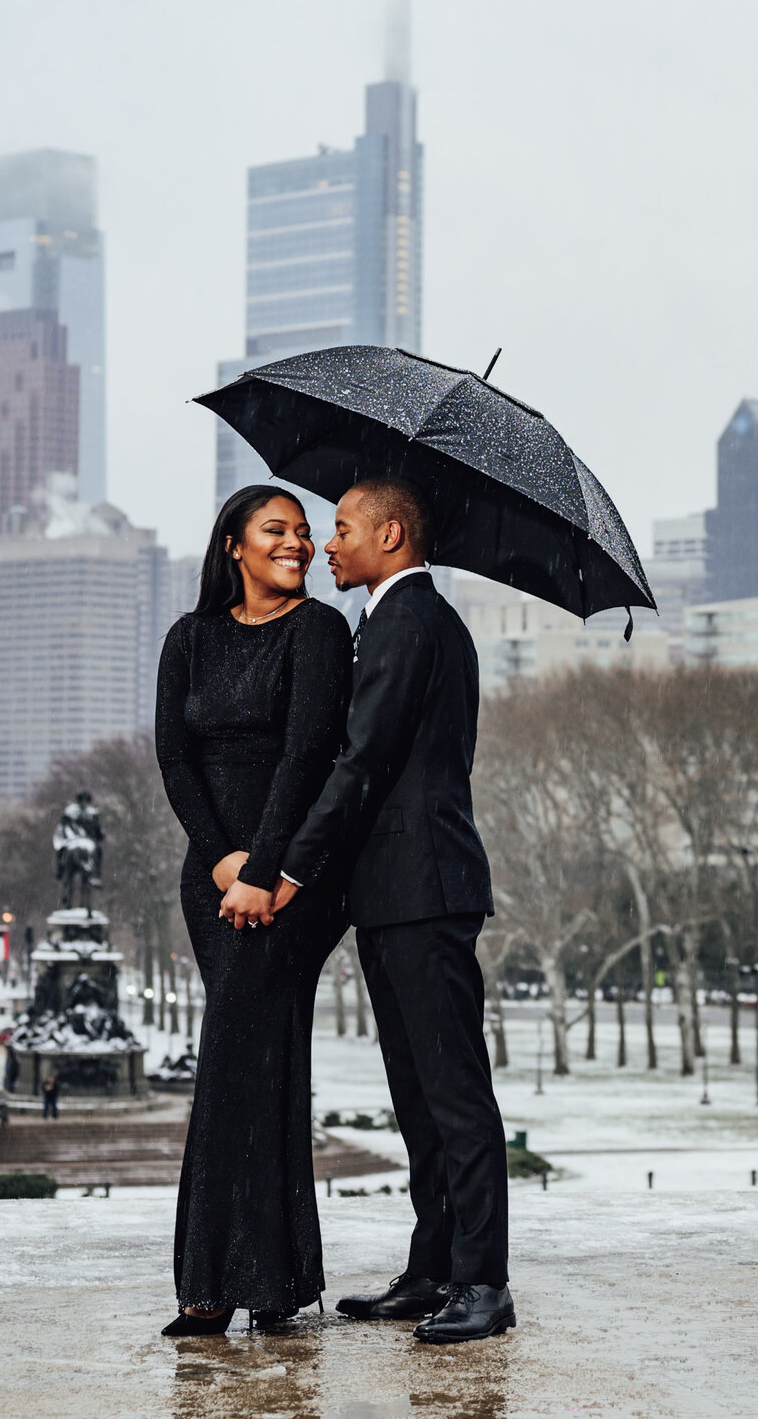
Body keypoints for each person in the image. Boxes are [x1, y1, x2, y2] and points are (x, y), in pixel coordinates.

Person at [221, 477, 512, 1345]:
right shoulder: (399, 622)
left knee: (455, 1095)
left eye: (340, 528)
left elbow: (360, 764)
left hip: (424, 892)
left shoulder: (412, 622)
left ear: (390, 533)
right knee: (418, 1097)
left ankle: (483, 1282)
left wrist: (284, 873)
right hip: (397, 896)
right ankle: (433, 1268)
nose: (325, 546)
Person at [157, 484, 355, 1339]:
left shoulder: (321, 631)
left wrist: (266, 867)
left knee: (236, 1053)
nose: (299, 544)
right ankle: (275, 1282)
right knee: (260, 1054)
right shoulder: (188, 639)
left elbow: (310, 752)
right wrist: (220, 859)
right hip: (214, 881)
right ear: (233, 544)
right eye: (278, 529)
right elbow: (173, 754)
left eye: (308, 533)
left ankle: (211, 1283)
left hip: (291, 889)